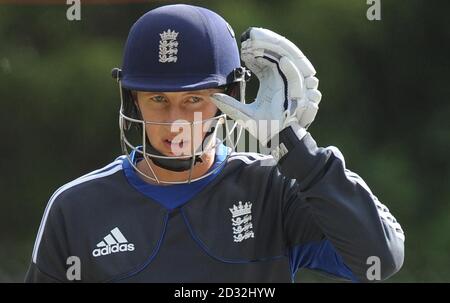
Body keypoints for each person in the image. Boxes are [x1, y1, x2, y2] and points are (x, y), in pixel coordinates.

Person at [25, 4, 404, 283]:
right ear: (132, 100)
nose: (175, 122)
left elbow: (378, 259)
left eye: (193, 99)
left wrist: (294, 144)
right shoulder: (76, 206)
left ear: (231, 98)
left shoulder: (272, 186)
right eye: (158, 99)